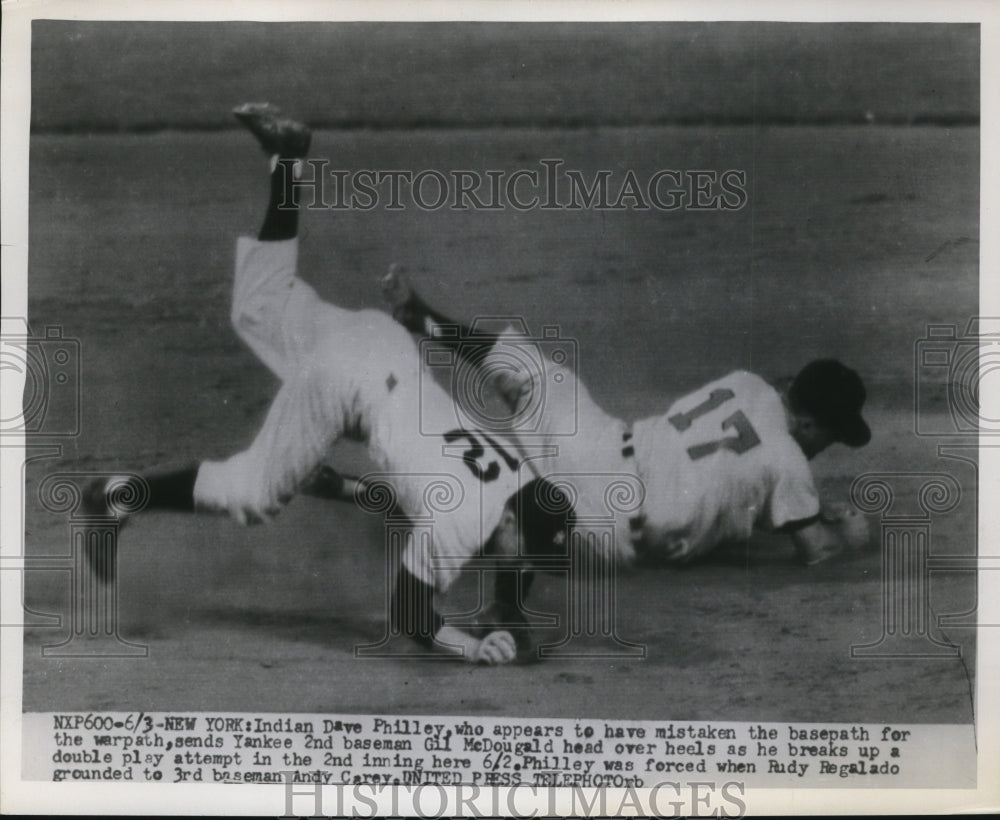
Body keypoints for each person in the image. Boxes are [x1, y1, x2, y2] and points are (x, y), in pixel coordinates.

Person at [83, 103, 572, 665]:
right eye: (525, 553)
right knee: (252, 494)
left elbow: (489, 532)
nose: (523, 565)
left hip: (382, 342)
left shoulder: (523, 480)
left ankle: (287, 161)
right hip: (345, 386)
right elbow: (411, 615)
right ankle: (120, 495)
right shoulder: (463, 524)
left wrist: (506, 613)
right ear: (513, 520)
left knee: (257, 308)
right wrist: (471, 647)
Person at [381, 267, 873, 568]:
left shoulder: (748, 384)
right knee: (500, 515)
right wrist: (851, 532)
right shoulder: (788, 462)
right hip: (613, 528)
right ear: (809, 424)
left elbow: (732, 475)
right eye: (829, 438)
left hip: (600, 444)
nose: (822, 450)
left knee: (535, 374)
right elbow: (818, 554)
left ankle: (422, 319)